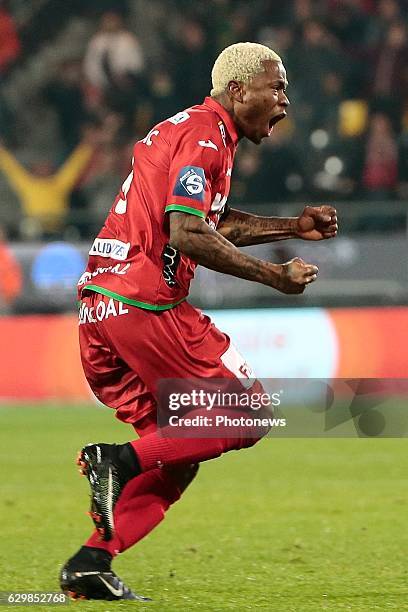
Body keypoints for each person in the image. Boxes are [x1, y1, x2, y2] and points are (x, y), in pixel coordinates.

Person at [60, 42, 338, 601]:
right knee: (249, 412)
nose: (284, 100)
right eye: (276, 87)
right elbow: (188, 234)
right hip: (145, 305)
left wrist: (293, 225)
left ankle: (92, 561)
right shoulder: (207, 137)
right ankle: (113, 460)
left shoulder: (191, 132)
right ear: (238, 91)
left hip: (101, 311)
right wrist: (274, 277)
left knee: (176, 456)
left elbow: (210, 221)